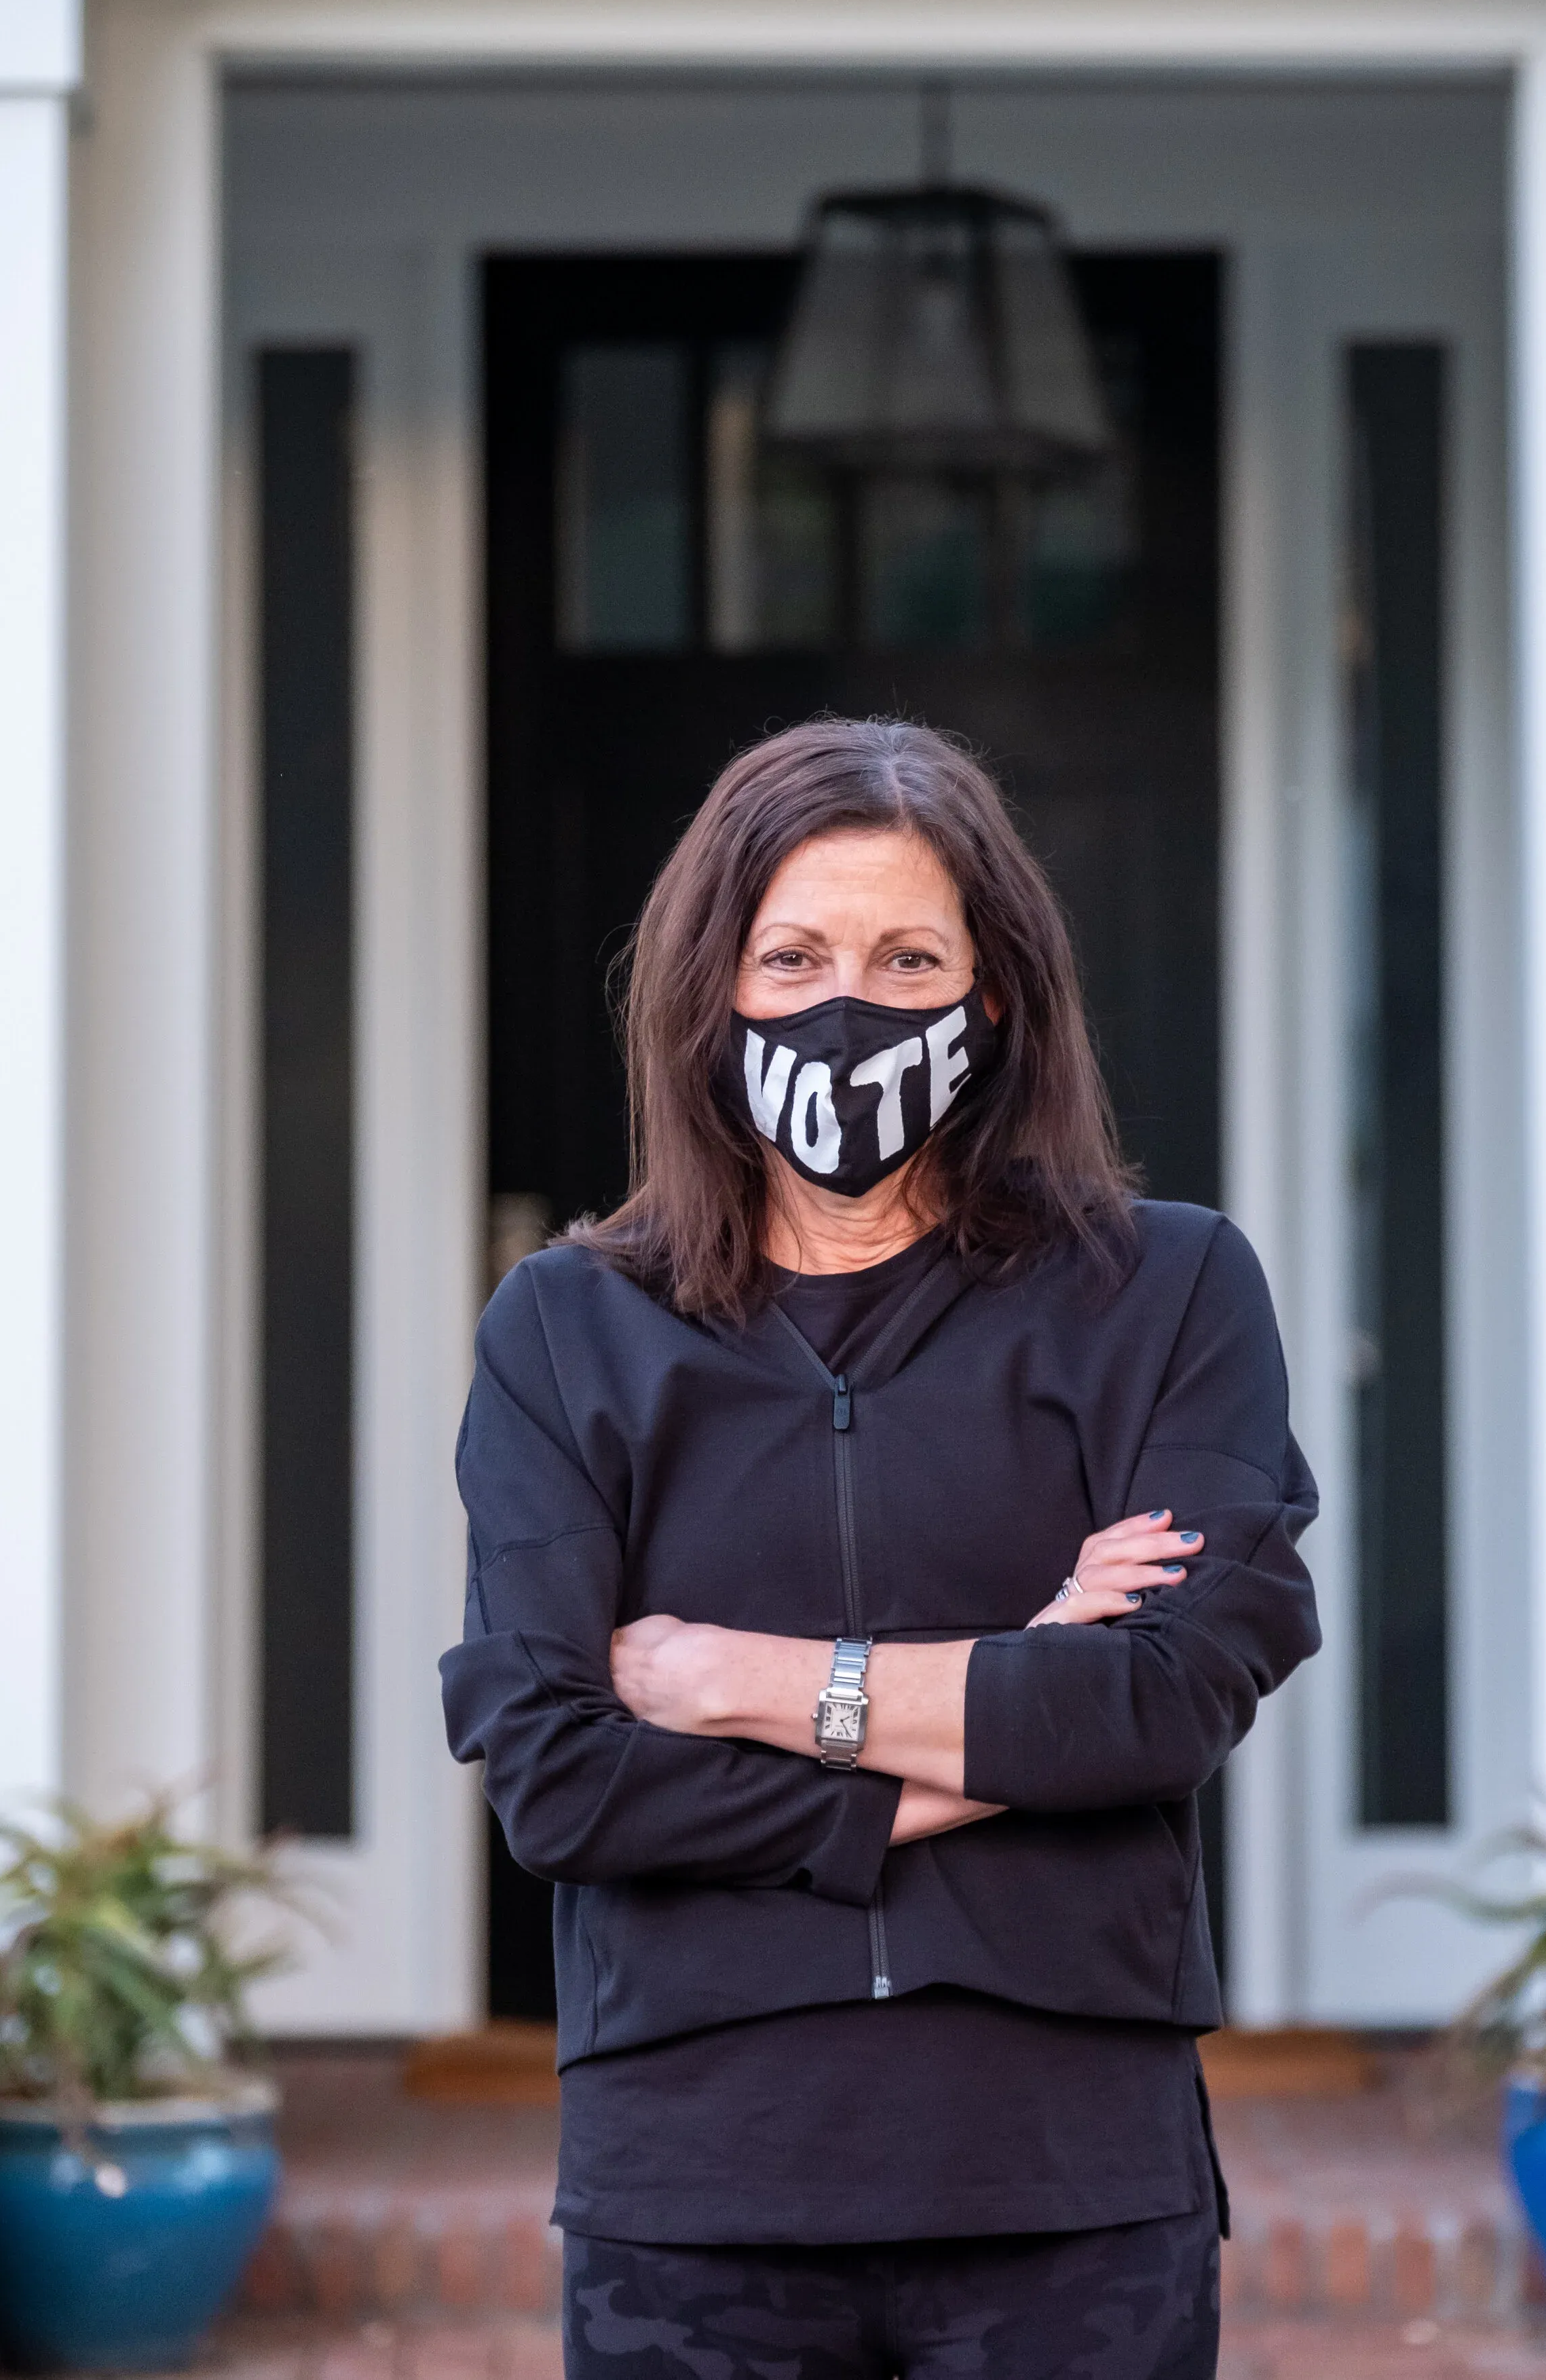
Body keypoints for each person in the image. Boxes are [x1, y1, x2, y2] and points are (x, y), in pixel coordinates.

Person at [442, 717, 1320, 2380]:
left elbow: (1170, 1698)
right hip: (694, 2185)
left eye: (907, 954)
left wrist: (727, 1678)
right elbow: (559, 1777)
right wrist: (1020, 1686)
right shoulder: (566, 1331)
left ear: (989, 998)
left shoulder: (1167, 1292)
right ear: (713, 993)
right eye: (793, 955)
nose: (848, 1001)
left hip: (1066, 2176)